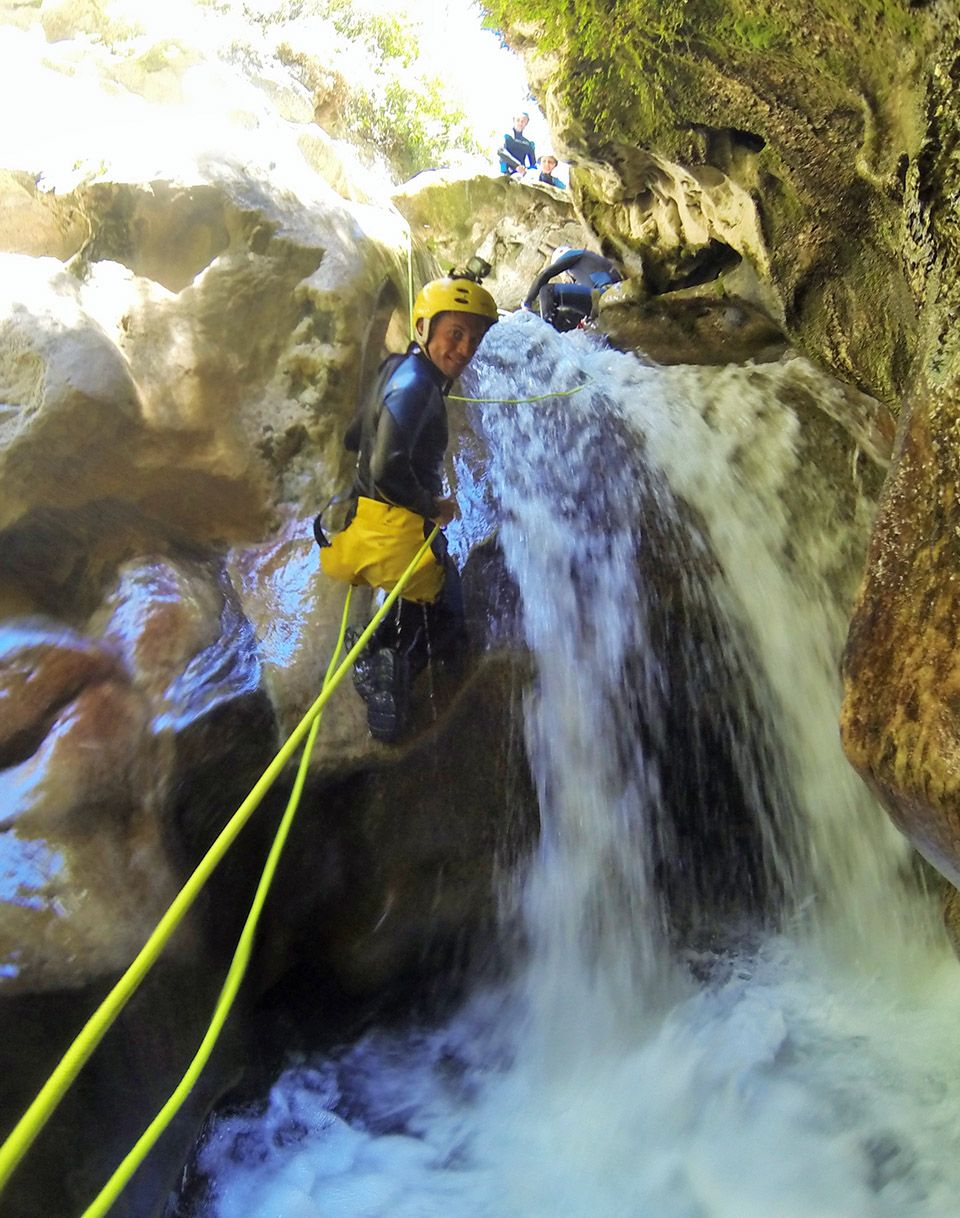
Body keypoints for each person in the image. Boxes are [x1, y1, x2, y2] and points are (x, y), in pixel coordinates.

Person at [317, 272, 498, 743]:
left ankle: (381, 646)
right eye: (454, 334)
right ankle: (386, 667)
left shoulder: (397, 370)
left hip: (364, 521)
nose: (463, 348)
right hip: (394, 530)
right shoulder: (420, 387)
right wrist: (431, 505)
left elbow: (354, 436)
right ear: (425, 327)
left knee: (442, 594)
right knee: (450, 622)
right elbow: (388, 469)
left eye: (472, 339)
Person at [522, 246, 623, 332]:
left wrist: (528, 302)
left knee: (547, 290)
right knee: (570, 315)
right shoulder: (590, 263)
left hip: (604, 293)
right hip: (611, 296)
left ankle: (546, 332)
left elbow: (545, 274)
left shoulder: (573, 254)